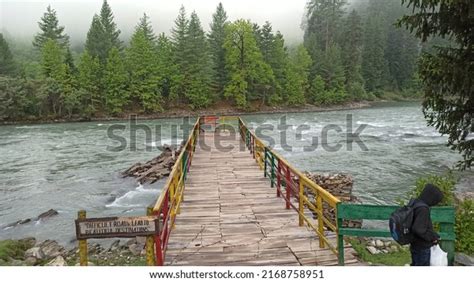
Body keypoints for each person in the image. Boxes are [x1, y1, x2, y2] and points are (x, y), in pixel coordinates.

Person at [410, 183, 444, 266]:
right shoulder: (423, 209)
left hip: (414, 243)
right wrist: (433, 237)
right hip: (422, 246)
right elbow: (418, 229)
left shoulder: (415, 203)